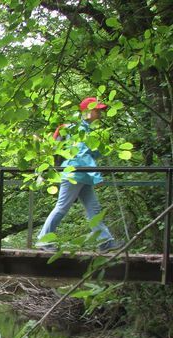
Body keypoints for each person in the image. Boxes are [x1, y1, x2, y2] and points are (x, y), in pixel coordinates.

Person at [36, 97, 124, 253]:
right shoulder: (79, 129)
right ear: (88, 111)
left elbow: (90, 153)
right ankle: (43, 240)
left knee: (93, 208)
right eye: (97, 110)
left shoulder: (86, 129)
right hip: (74, 174)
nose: (100, 114)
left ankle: (104, 242)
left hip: (82, 175)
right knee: (62, 207)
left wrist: (102, 148)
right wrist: (96, 176)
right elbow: (81, 156)